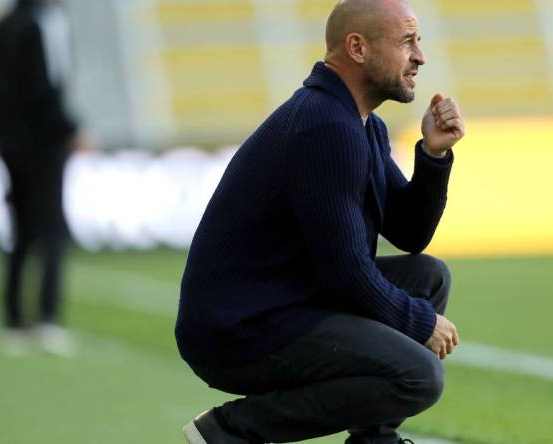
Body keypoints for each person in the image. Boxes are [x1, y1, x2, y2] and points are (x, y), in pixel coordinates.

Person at [175, 0, 466, 442]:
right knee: (418, 376)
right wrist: (419, 323)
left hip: (285, 302)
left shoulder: (359, 123)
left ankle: (374, 440)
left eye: (418, 42)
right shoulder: (324, 127)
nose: (420, 57)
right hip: (240, 329)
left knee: (427, 277)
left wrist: (433, 155)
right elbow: (346, 271)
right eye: (407, 42)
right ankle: (228, 432)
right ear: (357, 48)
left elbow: (409, 234)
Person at [0, 0, 81, 356]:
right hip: (44, 143)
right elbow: (47, 85)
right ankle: (48, 318)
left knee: (20, 231)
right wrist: (71, 130)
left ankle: (12, 321)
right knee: (51, 230)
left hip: (10, 145)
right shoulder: (47, 23)